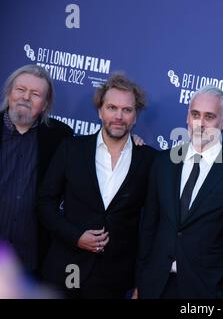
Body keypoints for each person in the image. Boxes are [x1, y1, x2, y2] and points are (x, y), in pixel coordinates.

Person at [37, 73, 157, 298]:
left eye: (127, 110)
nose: (119, 116)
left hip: (113, 278)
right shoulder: (71, 149)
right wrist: (75, 236)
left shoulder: (149, 161)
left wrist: (141, 281)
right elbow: (45, 203)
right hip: (66, 267)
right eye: (112, 107)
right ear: (100, 111)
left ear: (135, 117)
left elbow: (151, 224)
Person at [135, 85, 223, 299]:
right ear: (187, 118)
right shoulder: (163, 162)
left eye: (209, 116)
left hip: (205, 291)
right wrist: (140, 282)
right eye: (195, 115)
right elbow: (149, 227)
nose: (200, 123)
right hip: (155, 287)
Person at [0, 64, 73, 275]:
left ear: (45, 104)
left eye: (35, 94)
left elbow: (92, 154)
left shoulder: (60, 136)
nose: (25, 97)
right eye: (20, 90)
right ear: (9, 93)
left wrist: (128, 142)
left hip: (31, 258)